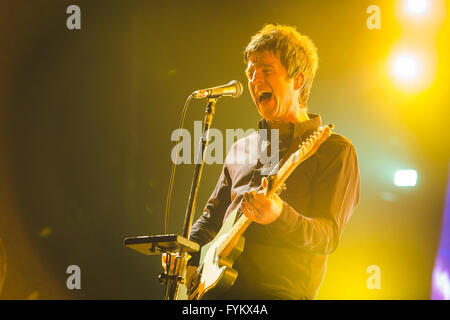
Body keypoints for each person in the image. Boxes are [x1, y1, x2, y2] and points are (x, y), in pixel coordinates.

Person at [182, 24, 360, 300]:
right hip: (215, 294)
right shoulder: (242, 148)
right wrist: (186, 254)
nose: (254, 80)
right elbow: (209, 220)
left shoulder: (334, 150)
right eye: (250, 73)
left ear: (298, 81)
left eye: (266, 70)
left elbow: (328, 237)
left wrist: (280, 215)